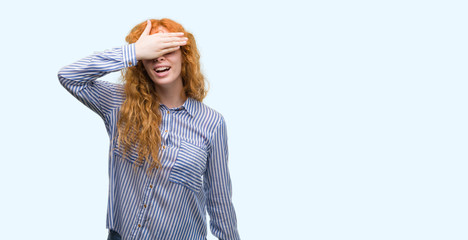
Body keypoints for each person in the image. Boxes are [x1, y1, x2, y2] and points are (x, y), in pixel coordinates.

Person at [58, 18, 240, 240]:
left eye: (167, 49)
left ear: (185, 55)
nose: (158, 58)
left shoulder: (212, 123)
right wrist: (133, 51)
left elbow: (219, 202)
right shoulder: (118, 103)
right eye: (151, 52)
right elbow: (69, 76)